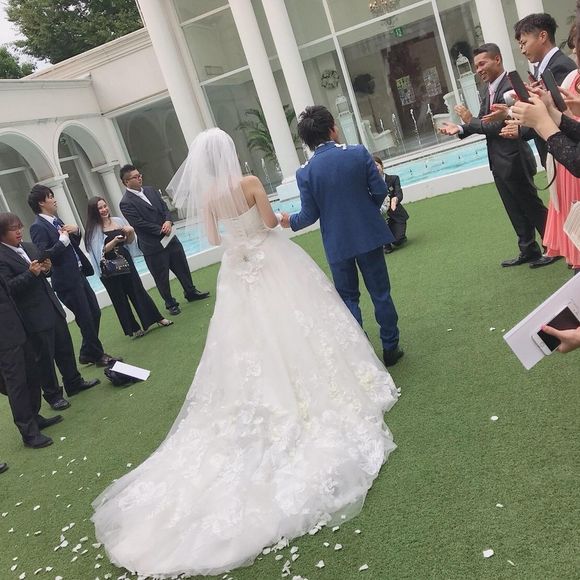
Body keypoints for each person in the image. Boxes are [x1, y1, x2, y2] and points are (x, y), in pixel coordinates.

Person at [92, 128, 398, 578]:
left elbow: (214, 239)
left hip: (238, 270)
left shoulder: (210, 197)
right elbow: (270, 222)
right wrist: (262, 228)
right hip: (271, 261)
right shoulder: (250, 182)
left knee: (246, 341)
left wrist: (239, 240)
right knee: (299, 324)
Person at [281, 106, 403, 367]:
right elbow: (380, 191)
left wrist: (289, 221)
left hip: (337, 243)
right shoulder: (357, 153)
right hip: (368, 234)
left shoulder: (305, 172)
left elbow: (309, 215)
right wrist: (367, 211)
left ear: (307, 141)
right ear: (332, 129)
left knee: (348, 299)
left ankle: (362, 353)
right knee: (380, 293)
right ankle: (391, 347)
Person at [440, 43, 553, 269]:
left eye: (482, 64)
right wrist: (460, 128)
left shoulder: (510, 87)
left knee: (531, 205)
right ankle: (528, 249)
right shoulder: (489, 89)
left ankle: (553, 246)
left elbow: (499, 125)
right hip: (499, 161)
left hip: (515, 159)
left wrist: (469, 120)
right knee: (514, 208)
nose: (479, 70)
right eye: (476, 66)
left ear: (497, 59)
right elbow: (483, 121)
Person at [0, 213, 100, 410]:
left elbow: (46, 272)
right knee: (44, 358)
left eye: (19, 226)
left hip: (51, 306)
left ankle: (73, 381)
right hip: (32, 315)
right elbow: (9, 288)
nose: (19, 231)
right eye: (13, 229)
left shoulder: (29, 247)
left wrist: (47, 269)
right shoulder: (2, 257)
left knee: (64, 347)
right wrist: (30, 273)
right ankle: (53, 395)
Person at [28, 185, 121, 367]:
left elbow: (71, 245)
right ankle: (98, 355)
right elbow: (42, 255)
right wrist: (62, 242)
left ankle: (87, 352)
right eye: (50, 196)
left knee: (94, 312)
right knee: (85, 317)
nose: (54, 199)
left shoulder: (56, 220)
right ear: (41, 202)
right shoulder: (38, 227)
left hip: (78, 274)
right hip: (65, 280)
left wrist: (76, 232)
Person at [119, 165, 209, 316]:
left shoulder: (150, 190)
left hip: (170, 237)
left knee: (181, 266)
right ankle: (170, 303)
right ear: (126, 182)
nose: (140, 178)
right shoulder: (126, 202)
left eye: (139, 175)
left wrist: (168, 221)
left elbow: (165, 208)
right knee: (161, 276)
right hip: (152, 245)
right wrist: (161, 229)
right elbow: (138, 223)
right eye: (135, 177)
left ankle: (190, 291)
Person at [85, 197, 173, 338]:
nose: (104, 210)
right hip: (108, 267)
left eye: (105, 206)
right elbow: (100, 252)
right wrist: (114, 241)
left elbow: (129, 242)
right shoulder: (94, 230)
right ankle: (133, 328)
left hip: (125, 260)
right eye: (99, 208)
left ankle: (156, 318)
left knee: (138, 290)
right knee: (119, 298)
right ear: (94, 212)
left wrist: (131, 232)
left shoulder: (118, 221)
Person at [0, 273, 59, 449]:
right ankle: (29, 432)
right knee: (17, 383)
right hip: (4, 338)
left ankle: (34, 417)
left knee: (32, 374)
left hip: (18, 326)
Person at [514, 12, 577, 168]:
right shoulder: (542, 69)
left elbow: (565, 114)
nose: (522, 50)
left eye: (524, 43)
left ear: (542, 36)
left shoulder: (561, 66)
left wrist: (523, 127)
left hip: (566, 152)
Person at [373, 155, 409, 254]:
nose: (375, 168)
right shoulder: (370, 184)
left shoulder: (393, 179)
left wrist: (394, 200)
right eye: (372, 167)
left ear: (382, 165)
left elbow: (399, 194)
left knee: (397, 241)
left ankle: (397, 237)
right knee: (387, 248)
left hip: (396, 214)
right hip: (381, 218)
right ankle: (386, 242)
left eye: (376, 165)